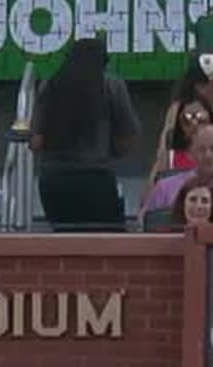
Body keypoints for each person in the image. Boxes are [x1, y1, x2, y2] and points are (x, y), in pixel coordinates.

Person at [29, 37, 137, 230]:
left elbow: (36, 141)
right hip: (96, 178)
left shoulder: (50, 86)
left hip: (53, 181)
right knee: (107, 244)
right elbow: (126, 140)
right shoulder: (112, 86)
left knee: (65, 242)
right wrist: (109, 150)